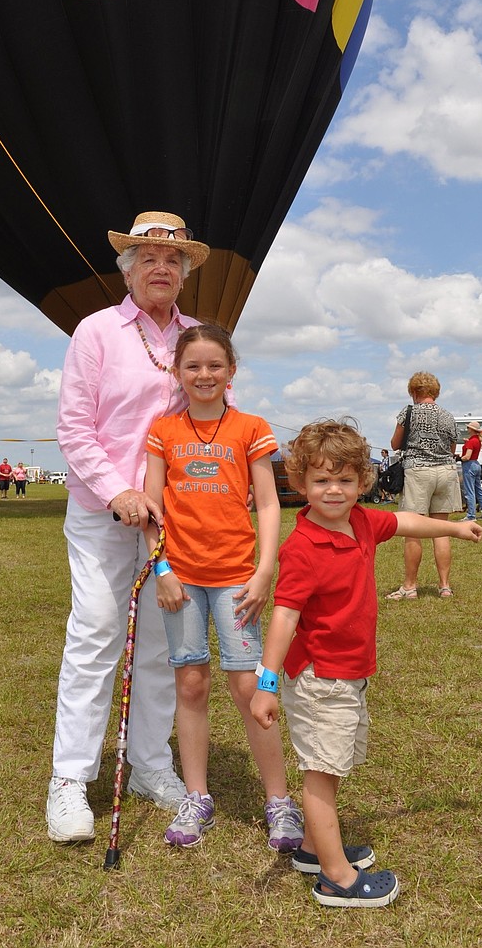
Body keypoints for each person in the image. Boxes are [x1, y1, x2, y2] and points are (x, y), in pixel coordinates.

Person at [251, 420, 482, 908]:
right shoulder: (303, 548)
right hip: (319, 677)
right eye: (320, 481)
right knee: (320, 768)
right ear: (300, 485)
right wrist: (266, 684)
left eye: (344, 480)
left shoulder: (360, 521)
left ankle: (315, 849)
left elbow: (405, 522)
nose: (333, 490)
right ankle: (336, 877)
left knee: (333, 762)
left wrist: (455, 528)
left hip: (350, 672)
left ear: (363, 482)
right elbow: (283, 617)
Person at [47, 211, 210, 844]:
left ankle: (148, 765)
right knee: (96, 631)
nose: (160, 268)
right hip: (101, 511)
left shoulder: (200, 337)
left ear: (187, 270)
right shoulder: (96, 332)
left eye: (172, 259)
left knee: (165, 648)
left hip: (174, 518)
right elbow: (74, 428)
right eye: (146, 257)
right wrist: (118, 490)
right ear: (128, 268)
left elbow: (210, 420)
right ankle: (69, 781)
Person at [144, 325, 303, 852]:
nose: (204, 375)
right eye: (193, 366)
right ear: (176, 372)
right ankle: (196, 795)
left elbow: (268, 503)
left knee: (246, 687)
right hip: (181, 580)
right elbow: (152, 509)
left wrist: (264, 571)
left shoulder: (251, 428)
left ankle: (279, 800)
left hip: (238, 579)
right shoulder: (163, 431)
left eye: (215, 365)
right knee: (190, 684)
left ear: (231, 371)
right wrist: (161, 569)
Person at [386, 372, 464, 599]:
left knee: (413, 531)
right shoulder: (448, 416)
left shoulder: (408, 412)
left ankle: (410, 587)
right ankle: (445, 586)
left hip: (418, 471)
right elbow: (452, 449)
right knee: (441, 531)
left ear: (413, 391)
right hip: (446, 472)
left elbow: (395, 444)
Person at [459, 421, 482, 523]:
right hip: (476, 464)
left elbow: (467, 457)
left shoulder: (471, 442)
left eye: (468, 428)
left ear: (472, 429)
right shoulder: (476, 440)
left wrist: (459, 458)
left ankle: (471, 515)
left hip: (469, 465)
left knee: (470, 491)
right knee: (479, 490)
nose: (467, 429)